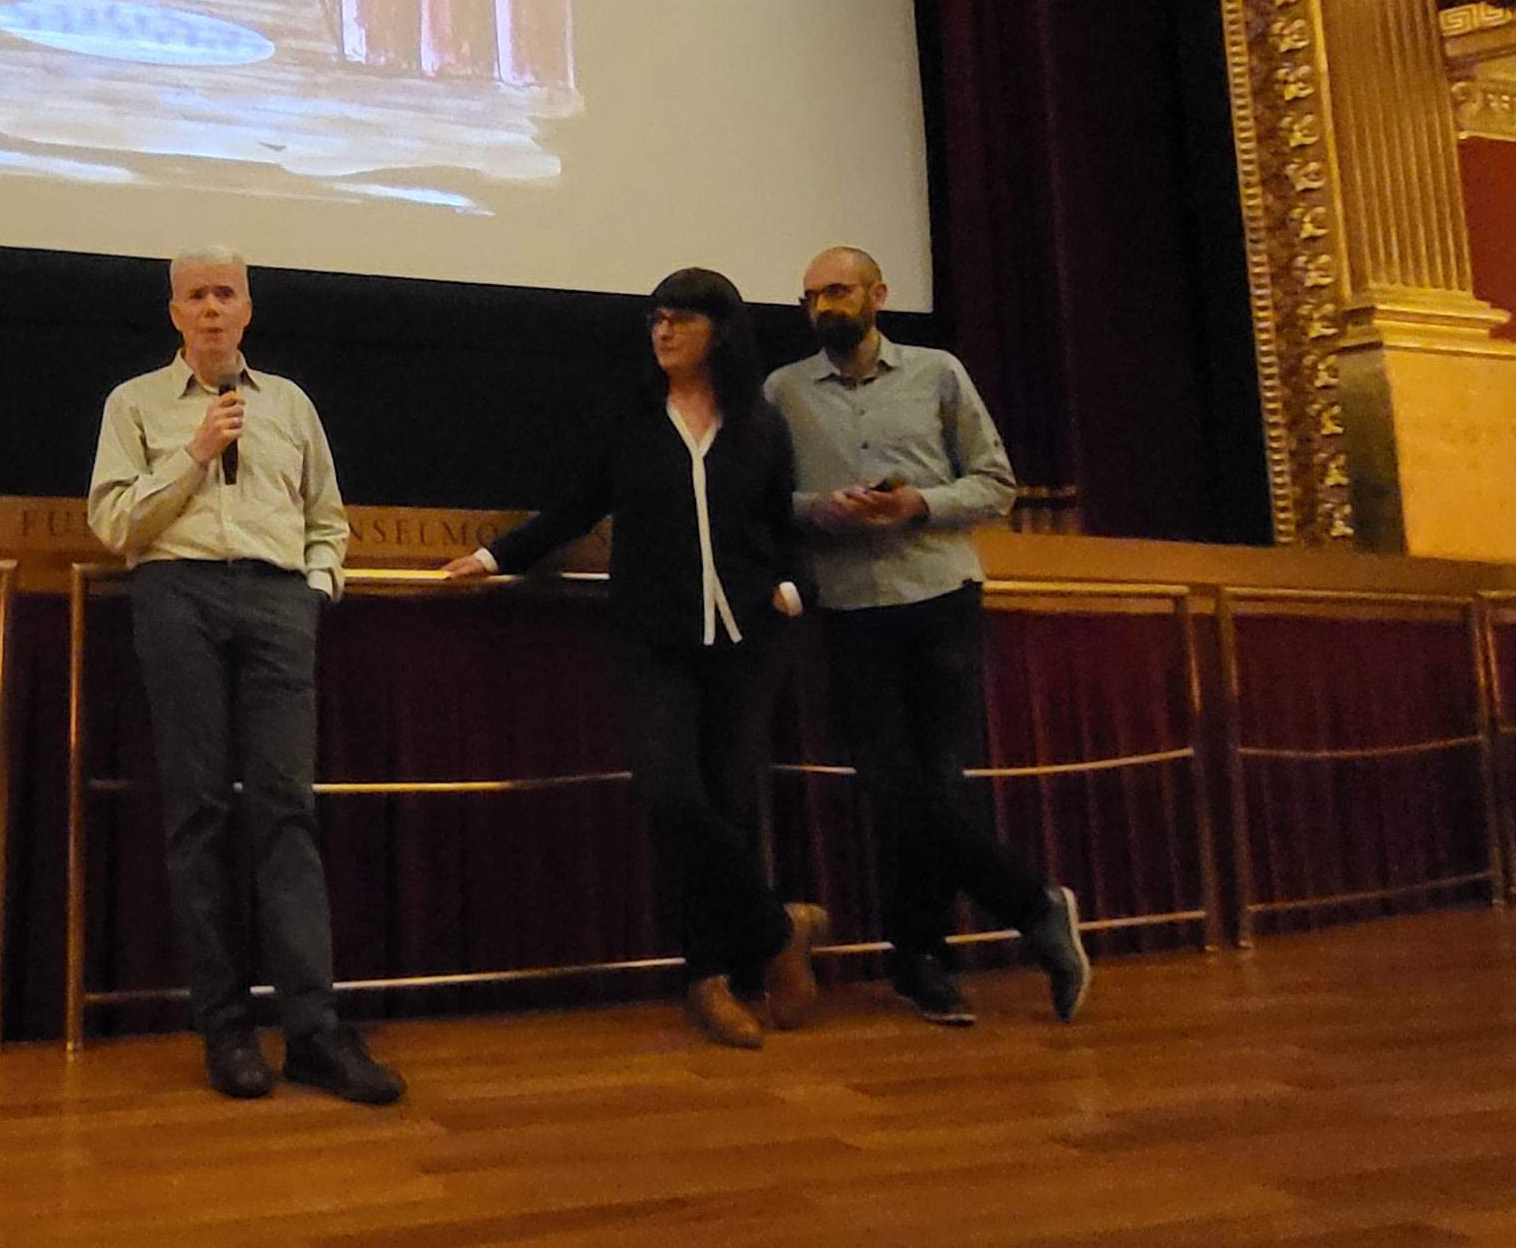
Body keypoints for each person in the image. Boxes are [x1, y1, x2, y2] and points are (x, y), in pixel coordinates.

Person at [445, 269, 829, 1049]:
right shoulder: (631, 416)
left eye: (679, 320)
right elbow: (579, 506)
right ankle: (779, 926)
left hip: (749, 640)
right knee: (673, 795)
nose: (662, 333)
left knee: (730, 804)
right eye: (655, 319)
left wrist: (793, 589)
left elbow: (781, 521)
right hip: (654, 637)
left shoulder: (759, 423)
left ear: (720, 330)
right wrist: (492, 557)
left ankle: (711, 978)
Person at [89, 246, 405, 1105]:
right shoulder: (136, 404)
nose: (212, 308)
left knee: (287, 812)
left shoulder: (291, 404)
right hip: (175, 593)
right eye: (196, 296)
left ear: (250, 307)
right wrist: (192, 453)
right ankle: (226, 1032)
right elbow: (113, 522)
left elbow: (326, 518)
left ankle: (313, 1033)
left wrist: (314, 589)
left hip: (275, 601)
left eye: (226, 293)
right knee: (198, 812)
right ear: (174, 313)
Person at [763, 245, 1091, 1027]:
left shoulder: (938, 372)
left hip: (939, 593)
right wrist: (821, 509)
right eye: (811, 298)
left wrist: (917, 505)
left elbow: (994, 482)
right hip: (848, 605)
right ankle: (1035, 905)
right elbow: (769, 499)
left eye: (838, 291)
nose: (824, 308)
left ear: (879, 294)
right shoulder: (781, 391)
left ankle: (921, 963)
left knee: (938, 784)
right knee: (890, 785)